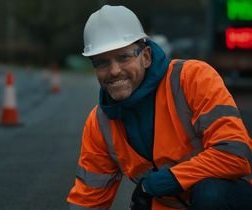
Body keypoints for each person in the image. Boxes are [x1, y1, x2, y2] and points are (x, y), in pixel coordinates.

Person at [66, 5, 252, 210]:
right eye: (102, 63)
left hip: (230, 198)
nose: (114, 71)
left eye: (124, 57)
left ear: (145, 57)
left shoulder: (192, 78)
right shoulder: (99, 124)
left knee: (210, 193)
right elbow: (88, 201)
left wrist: (157, 184)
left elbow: (234, 154)